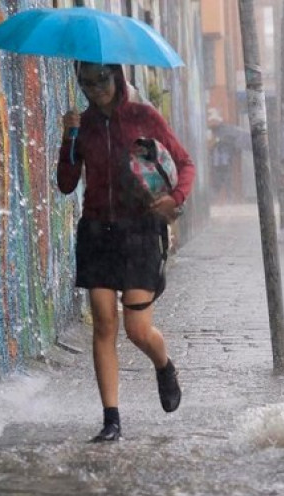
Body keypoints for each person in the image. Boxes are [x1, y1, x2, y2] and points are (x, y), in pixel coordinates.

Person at [57, 62, 195, 442]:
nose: (95, 89)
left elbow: (184, 163)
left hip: (139, 232)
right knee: (103, 323)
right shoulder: (82, 125)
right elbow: (66, 183)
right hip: (97, 232)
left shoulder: (142, 116)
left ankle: (164, 365)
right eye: (86, 83)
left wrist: (175, 198)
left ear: (116, 76)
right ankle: (111, 420)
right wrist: (68, 139)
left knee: (137, 330)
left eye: (101, 79)